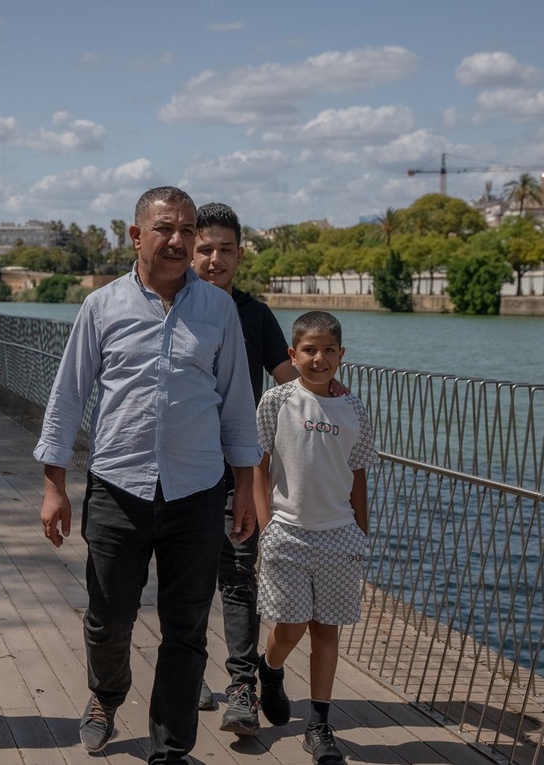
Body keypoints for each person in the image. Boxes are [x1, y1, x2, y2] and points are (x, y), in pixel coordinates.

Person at [35, 186, 261, 765]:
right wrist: (54, 485)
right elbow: (67, 397)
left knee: (186, 629)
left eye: (188, 230)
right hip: (118, 487)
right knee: (109, 618)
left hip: (198, 491)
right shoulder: (102, 307)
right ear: (136, 236)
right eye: (166, 229)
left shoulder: (217, 311)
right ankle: (106, 696)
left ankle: (170, 748)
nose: (179, 241)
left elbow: (237, 405)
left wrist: (246, 489)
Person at [190, 202, 298, 736]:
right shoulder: (173, 308)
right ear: (190, 249)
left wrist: (333, 394)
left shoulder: (253, 314)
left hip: (236, 470)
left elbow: (290, 379)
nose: (215, 259)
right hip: (181, 469)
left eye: (225, 249)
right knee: (185, 583)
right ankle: (186, 679)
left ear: (239, 254)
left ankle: (241, 686)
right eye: (205, 248)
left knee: (238, 578)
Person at [253, 311, 377, 765]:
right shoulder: (276, 402)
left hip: (339, 538)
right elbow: (258, 468)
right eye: (309, 350)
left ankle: (320, 724)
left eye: (328, 350)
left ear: (341, 356)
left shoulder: (353, 408)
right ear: (293, 354)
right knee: (289, 628)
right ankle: (270, 669)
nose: (318, 358)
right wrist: (266, 529)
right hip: (285, 534)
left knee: (326, 631)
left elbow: (358, 474)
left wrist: (360, 532)